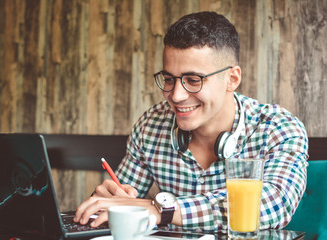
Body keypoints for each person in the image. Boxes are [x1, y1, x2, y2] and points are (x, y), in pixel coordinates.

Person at [73, 11, 308, 232]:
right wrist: (110, 200)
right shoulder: (151, 125)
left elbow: (274, 204)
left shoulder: (279, 127)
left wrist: (162, 210)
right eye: (168, 79)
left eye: (193, 80)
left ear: (232, 79)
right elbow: (123, 201)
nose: (176, 96)